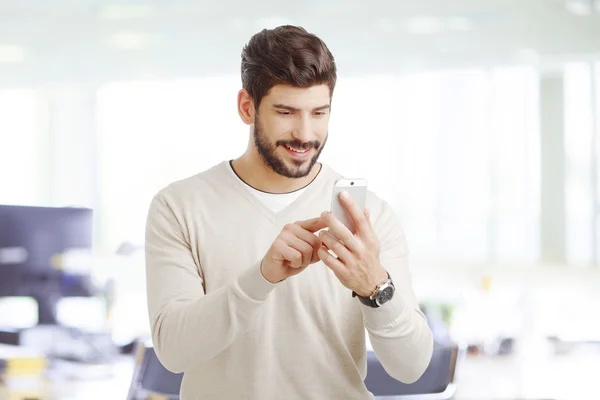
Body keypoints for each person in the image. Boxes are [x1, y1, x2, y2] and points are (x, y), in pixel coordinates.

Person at [145, 25, 433, 400]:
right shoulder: (179, 206)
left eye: (319, 112)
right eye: (286, 112)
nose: (305, 133)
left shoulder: (368, 215)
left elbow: (410, 368)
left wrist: (375, 286)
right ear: (247, 107)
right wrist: (260, 278)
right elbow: (174, 351)